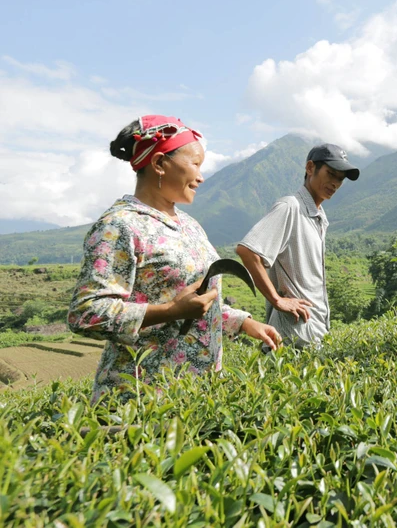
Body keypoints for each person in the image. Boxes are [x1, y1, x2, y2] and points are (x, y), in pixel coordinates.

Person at [68, 115, 283, 402]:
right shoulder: (120, 225)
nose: (201, 176)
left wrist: (242, 322)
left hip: (193, 396)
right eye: (195, 164)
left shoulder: (190, 225)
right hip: (139, 399)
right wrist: (170, 311)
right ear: (159, 164)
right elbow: (85, 313)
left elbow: (195, 301)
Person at [236, 143, 359, 348]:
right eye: (330, 174)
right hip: (293, 333)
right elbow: (247, 251)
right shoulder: (290, 207)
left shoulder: (318, 216)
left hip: (312, 330)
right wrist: (277, 300)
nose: (335, 183)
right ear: (310, 168)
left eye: (340, 178)